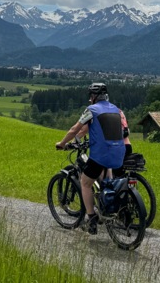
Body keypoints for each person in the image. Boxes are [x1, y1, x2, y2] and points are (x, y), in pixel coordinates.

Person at [55, 83, 125, 235]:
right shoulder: (115, 109)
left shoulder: (91, 110)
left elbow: (75, 129)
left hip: (101, 154)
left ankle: (92, 219)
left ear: (93, 97)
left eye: (90, 96)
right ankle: (106, 207)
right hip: (119, 152)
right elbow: (93, 128)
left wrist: (62, 143)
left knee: (85, 183)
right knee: (106, 182)